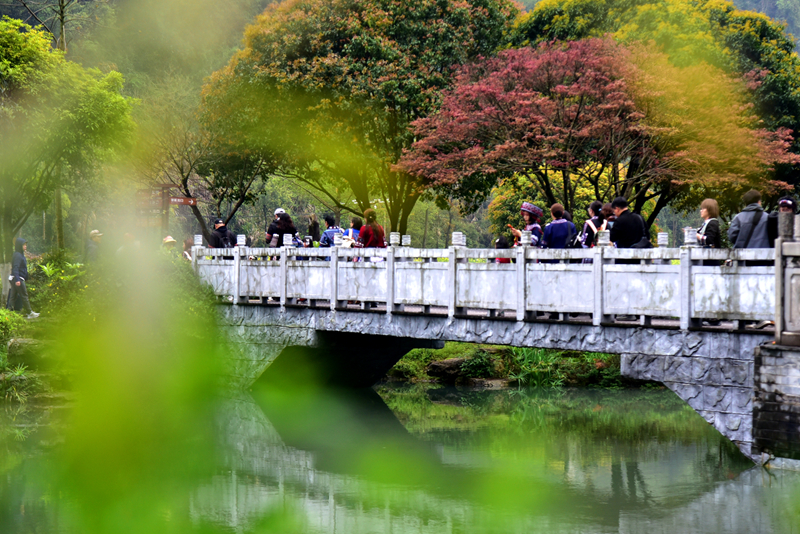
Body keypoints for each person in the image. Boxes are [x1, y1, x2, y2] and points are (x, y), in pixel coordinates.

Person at [8, 238, 38, 319]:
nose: (25, 246)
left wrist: (26, 277)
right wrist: (18, 280)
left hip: (17, 278)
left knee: (13, 297)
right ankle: (30, 313)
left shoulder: (20, 254)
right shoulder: (18, 255)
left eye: (25, 245)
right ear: (19, 246)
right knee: (24, 295)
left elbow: (23, 268)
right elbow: (15, 268)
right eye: (24, 245)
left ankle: (8, 313)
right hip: (18, 278)